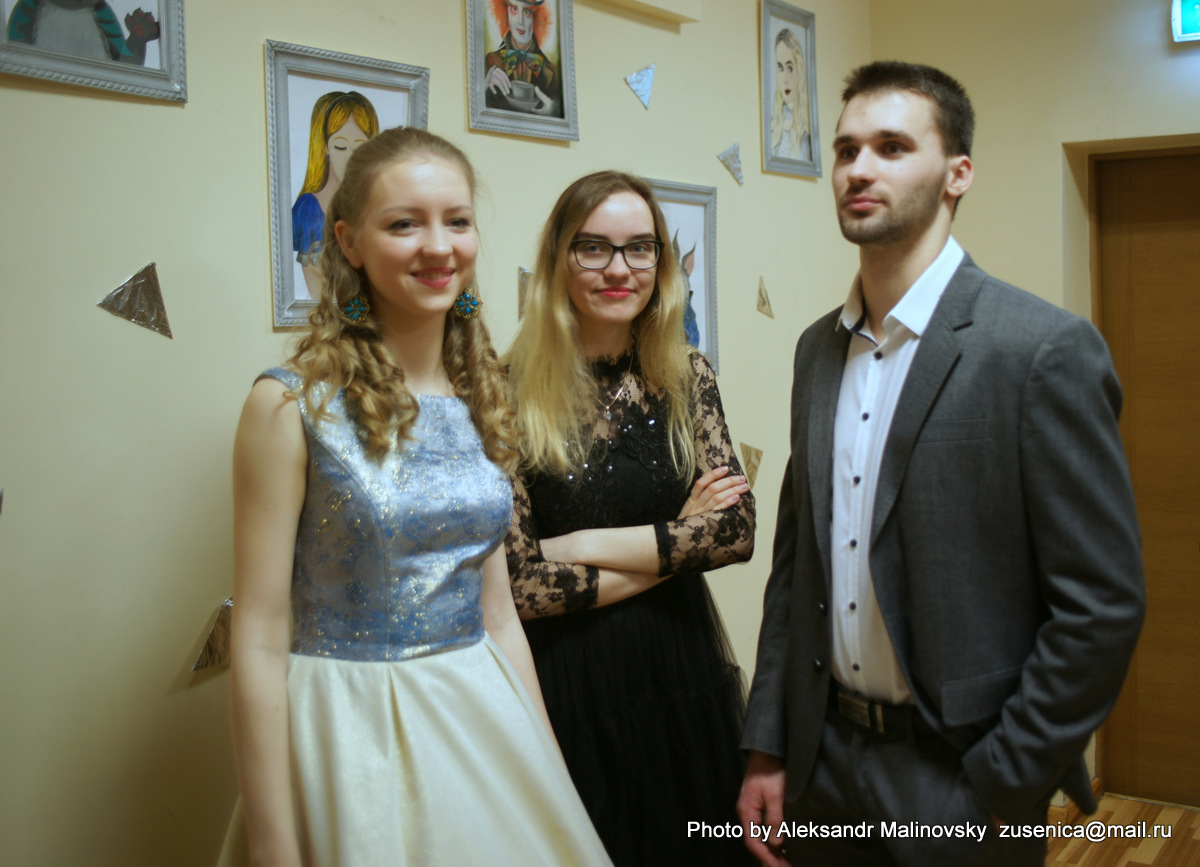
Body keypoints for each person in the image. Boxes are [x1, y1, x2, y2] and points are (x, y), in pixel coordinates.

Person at [738, 61, 1145, 867]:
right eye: (847, 149)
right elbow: (796, 568)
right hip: (822, 763)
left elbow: (1101, 606)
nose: (859, 168)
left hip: (958, 776)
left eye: (892, 147)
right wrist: (769, 742)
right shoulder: (817, 351)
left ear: (958, 173)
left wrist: (1001, 783)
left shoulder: (1039, 350)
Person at [220, 127, 611, 867]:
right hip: (350, 728)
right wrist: (274, 842)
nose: (439, 247)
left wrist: (550, 770)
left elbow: (499, 615)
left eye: (457, 221)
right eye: (404, 224)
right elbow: (261, 633)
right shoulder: (291, 406)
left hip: (481, 717)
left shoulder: (483, 397)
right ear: (349, 241)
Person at [504, 170, 757, 866]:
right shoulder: (502, 390)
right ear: (559, 258)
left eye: (640, 247)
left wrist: (578, 542)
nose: (619, 269)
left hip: (680, 669)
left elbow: (735, 533)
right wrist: (676, 545)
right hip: (566, 683)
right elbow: (524, 588)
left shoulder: (687, 374)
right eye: (594, 247)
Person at [292, 91, 379, 298]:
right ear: (325, 148)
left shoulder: (376, 208)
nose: (350, 158)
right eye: (341, 146)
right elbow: (317, 297)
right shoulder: (308, 209)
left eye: (360, 148)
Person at [484, 0, 562, 116]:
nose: (520, 21)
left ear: (536, 18)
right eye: (514, 9)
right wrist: (484, 86)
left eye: (527, 12)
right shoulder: (490, 62)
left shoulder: (552, 72)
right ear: (506, 13)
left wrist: (553, 111)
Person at [769, 29, 811, 162]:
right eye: (780, 68)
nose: (785, 79)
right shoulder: (771, 127)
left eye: (790, 68)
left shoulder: (807, 133)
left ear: (799, 71)